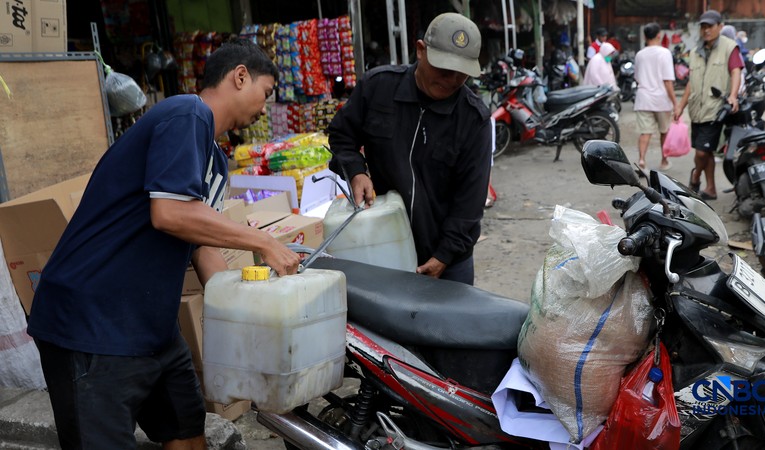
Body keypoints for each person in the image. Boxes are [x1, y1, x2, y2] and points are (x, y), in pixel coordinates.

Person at [27, 39, 302, 449]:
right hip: (91, 326)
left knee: (189, 436)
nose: (264, 107)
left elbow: (200, 243)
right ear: (239, 76)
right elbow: (170, 214)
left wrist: (242, 315)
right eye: (265, 93)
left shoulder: (215, 160)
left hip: (152, 328)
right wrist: (262, 241)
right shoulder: (186, 113)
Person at [327, 12, 492, 285]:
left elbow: (469, 203)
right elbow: (342, 134)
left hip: (447, 262)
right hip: (382, 248)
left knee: (446, 327)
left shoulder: (474, 120)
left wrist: (444, 256)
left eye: (460, 74)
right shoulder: (377, 88)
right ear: (420, 51)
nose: (450, 80)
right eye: (443, 69)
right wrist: (356, 171)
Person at [674, 9, 743, 200]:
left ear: (720, 27)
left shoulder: (730, 47)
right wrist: (680, 105)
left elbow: (736, 71)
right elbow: (691, 81)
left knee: (703, 152)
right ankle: (711, 188)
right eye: (703, 26)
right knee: (707, 150)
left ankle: (695, 178)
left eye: (710, 26)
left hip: (714, 109)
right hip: (696, 109)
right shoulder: (695, 52)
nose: (706, 30)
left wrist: (734, 96)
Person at [634, 22, 678, 171]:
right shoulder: (665, 53)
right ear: (659, 35)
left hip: (644, 98)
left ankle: (641, 160)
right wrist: (675, 103)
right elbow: (668, 82)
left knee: (645, 132)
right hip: (661, 100)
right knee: (664, 131)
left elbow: (637, 78)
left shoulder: (640, 54)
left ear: (645, 36)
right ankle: (664, 160)